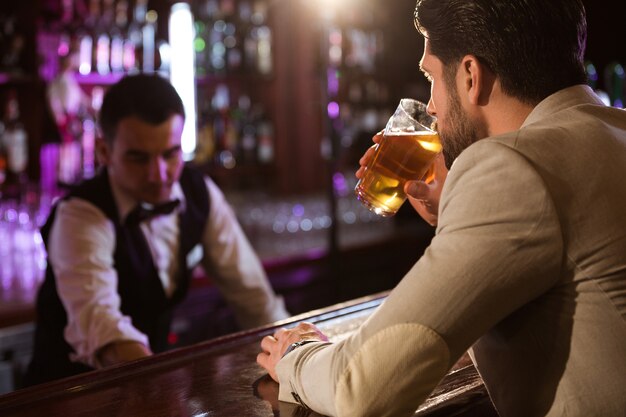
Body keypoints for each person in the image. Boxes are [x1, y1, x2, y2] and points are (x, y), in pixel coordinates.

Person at [257, 0, 626, 416]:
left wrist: (297, 355)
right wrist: (451, 208)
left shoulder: (514, 167)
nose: (431, 105)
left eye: (430, 76)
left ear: (471, 75)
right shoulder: (614, 130)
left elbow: (359, 388)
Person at [24, 73, 289, 386]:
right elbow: (102, 326)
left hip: (150, 384)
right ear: (104, 151)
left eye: (170, 153)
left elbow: (254, 298)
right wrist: (163, 390)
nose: (158, 174)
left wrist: (296, 359)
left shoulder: (198, 192)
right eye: (138, 158)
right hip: (71, 396)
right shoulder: (80, 215)